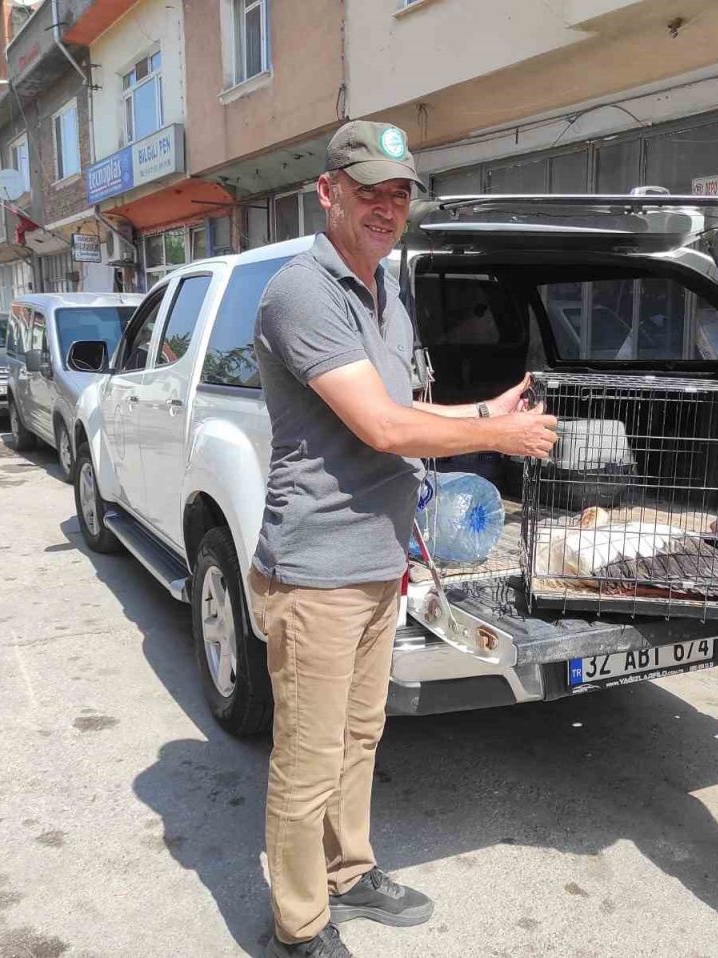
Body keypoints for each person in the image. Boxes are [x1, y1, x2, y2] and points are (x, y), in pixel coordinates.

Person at [249, 120, 558, 958]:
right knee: (309, 756)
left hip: (377, 561)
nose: (387, 208)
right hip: (316, 570)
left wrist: (487, 412)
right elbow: (385, 427)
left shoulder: (384, 290)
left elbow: (411, 412)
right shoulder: (304, 291)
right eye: (369, 191)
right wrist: (497, 440)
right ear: (329, 192)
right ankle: (300, 925)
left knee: (359, 737)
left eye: (399, 194)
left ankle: (350, 872)